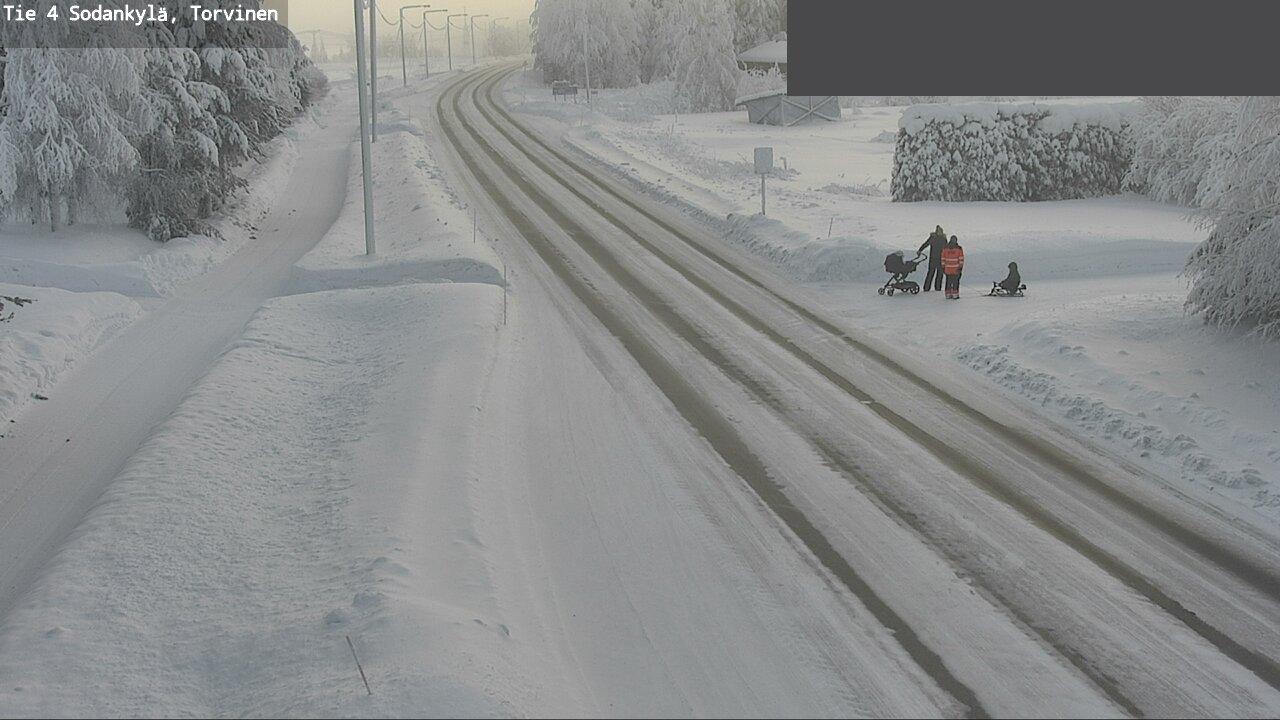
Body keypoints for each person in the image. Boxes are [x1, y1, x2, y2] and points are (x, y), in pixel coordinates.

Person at [917, 225, 948, 292]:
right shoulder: (933, 237)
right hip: (933, 258)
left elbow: (947, 248)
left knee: (939, 274)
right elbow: (926, 244)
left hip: (941, 259)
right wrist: (920, 250)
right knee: (931, 273)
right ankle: (927, 288)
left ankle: (938, 287)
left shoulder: (943, 239)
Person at [941, 235, 965, 299]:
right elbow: (961, 259)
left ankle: (948, 294)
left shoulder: (945, 248)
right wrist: (960, 267)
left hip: (947, 268)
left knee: (948, 281)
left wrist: (943, 267)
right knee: (955, 282)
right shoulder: (959, 249)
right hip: (956, 269)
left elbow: (943, 258)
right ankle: (955, 294)